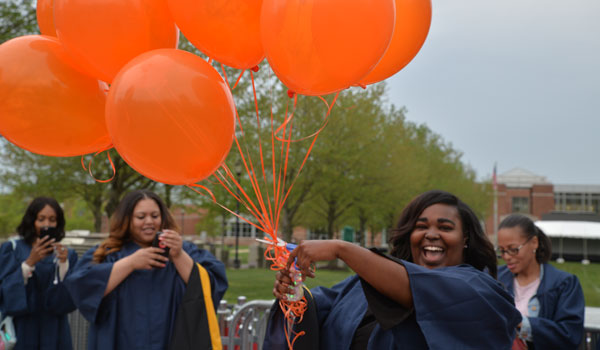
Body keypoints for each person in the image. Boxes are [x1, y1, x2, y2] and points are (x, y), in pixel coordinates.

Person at [264, 190, 522, 350]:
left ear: (465, 238)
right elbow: (317, 306)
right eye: (421, 226)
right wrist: (293, 293)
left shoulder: (479, 291)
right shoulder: (367, 282)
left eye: (445, 227)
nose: (431, 234)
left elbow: (420, 289)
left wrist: (343, 249)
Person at [64, 189, 228, 350]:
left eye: (155, 216)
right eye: (141, 217)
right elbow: (81, 286)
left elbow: (211, 287)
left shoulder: (184, 251)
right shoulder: (109, 254)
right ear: (127, 220)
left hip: (170, 339)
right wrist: (131, 263)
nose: (149, 221)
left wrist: (178, 256)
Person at [497, 214, 585, 350]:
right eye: (502, 251)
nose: (507, 257)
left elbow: (570, 335)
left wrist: (521, 323)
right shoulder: (494, 278)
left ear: (534, 243)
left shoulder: (564, 284)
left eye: (513, 249)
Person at [0, 197, 78, 350]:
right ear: (31, 221)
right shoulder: (12, 249)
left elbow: (71, 300)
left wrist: (63, 265)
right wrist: (29, 263)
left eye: (52, 220)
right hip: (21, 330)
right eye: (41, 219)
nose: (46, 225)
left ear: (58, 223)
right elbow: (4, 294)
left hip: (56, 332)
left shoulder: (67, 255)